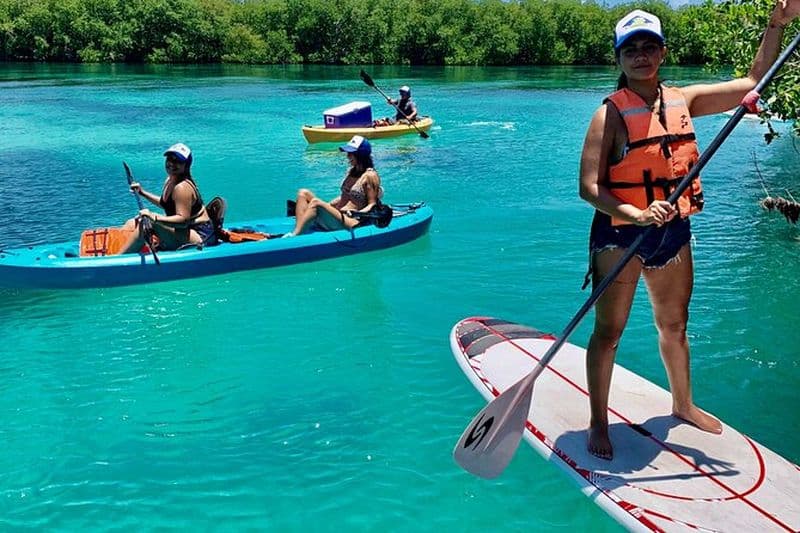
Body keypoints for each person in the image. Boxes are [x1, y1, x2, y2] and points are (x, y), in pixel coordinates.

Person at [579, 3, 798, 460]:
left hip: (672, 231)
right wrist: (637, 214)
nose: (641, 55)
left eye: (649, 46)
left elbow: (755, 80)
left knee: (675, 325)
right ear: (619, 58)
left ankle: (682, 404)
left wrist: (776, 24)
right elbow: (590, 188)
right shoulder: (609, 115)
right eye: (631, 49)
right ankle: (598, 420)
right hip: (621, 234)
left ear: (663, 53)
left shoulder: (686, 100)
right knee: (609, 331)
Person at [122, 143, 216, 253]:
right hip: (184, 231)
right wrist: (142, 192)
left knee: (148, 223)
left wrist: (154, 217)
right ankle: (115, 248)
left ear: (186, 165)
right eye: (169, 159)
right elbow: (166, 204)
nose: (171, 163)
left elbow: (183, 221)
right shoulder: (170, 180)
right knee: (132, 223)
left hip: (200, 236)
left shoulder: (182, 187)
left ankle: (118, 259)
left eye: (177, 161)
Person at [285, 135, 383, 237]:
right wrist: (328, 206)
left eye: (351, 153)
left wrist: (357, 213)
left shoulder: (370, 176)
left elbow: (372, 204)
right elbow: (346, 196)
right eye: (348, 153)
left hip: (352, 220)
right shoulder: (351, 171)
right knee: (303, 193)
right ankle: (300, 228)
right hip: (338, 215)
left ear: (361, 155)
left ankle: (294, 236)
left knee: (315, 202)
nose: (348, 156)